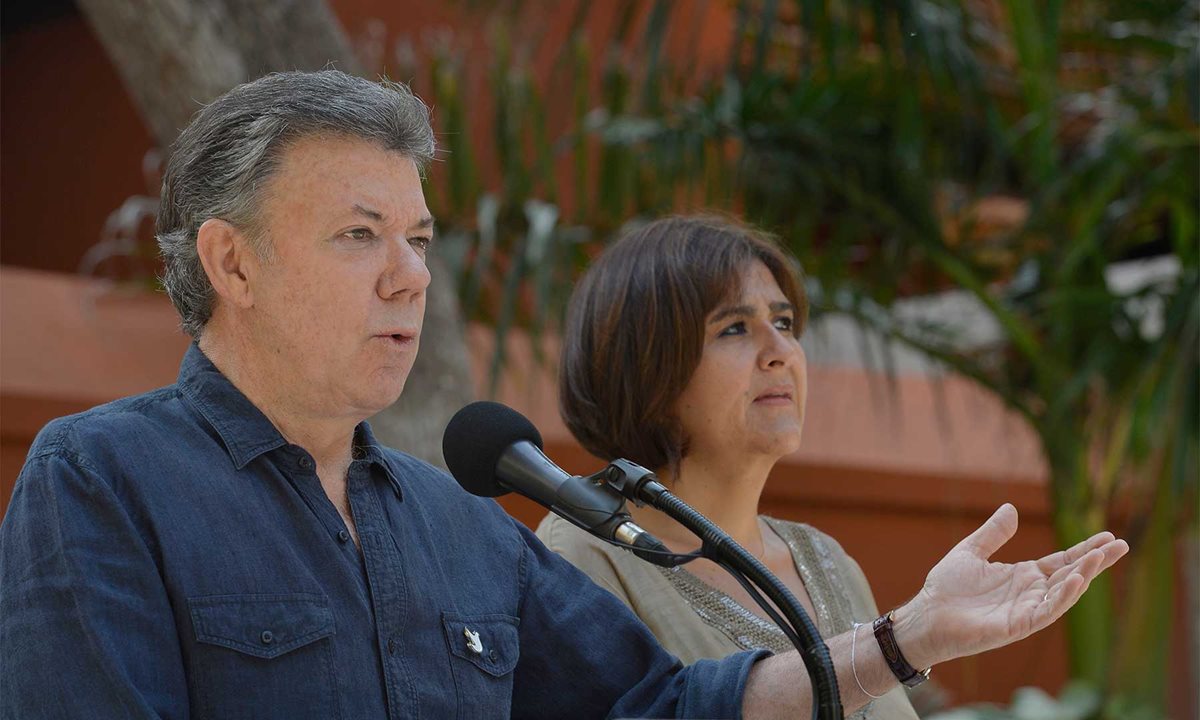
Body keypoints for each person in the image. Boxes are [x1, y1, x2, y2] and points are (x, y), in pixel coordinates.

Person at [0, 71, 1124, 720]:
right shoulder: (104, 478)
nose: (410, 274)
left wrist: (907, 638)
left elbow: (663, 708)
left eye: (420, 238)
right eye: (358, 236)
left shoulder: (454, 519)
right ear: (231, 264)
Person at [537, 215, 1122, 718]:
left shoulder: (825, 560)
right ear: (644, 365)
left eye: (785, 323)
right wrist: (912, 634)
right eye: (735, 328)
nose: (781, 351)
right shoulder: (583, 557)